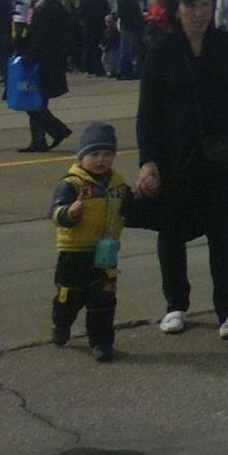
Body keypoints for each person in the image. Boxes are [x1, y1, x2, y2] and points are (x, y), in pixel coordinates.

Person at [135, 0, 228, 342]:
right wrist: (148, 160)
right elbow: (148, 112)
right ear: (176, 10)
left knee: (223, 233)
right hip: (174, 156)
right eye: (191, 7)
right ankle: (176, 305)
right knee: (171, 232)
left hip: (218, 155)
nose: (199, 13)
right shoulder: (162, 51)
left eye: (205, 5)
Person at [48, 120, 134, 363]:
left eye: (107, 154)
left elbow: (131, 208)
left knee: (104, 299)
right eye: (94, 154)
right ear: (82, 156)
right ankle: (62, 325)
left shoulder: (118, 185)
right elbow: (55, 213)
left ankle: (102, 341)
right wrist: (69, 213)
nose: (101, 160)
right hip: (74, 252)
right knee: (69, 297)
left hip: (105, 253)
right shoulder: (71, 183)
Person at [18, 0, 76, 151]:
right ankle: (38, 140)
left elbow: (41, 39)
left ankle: (57, 130)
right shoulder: (51, 6)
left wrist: (29, 57)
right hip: (49, 61)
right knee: (35, 101)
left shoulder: (47, 9)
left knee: (34, 102)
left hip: (44, 63)